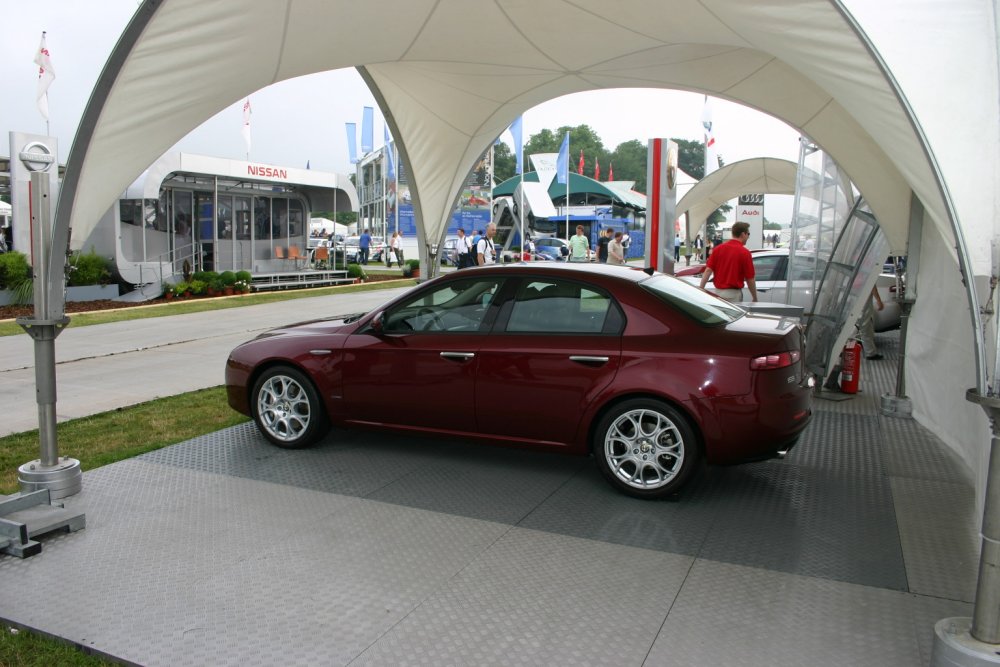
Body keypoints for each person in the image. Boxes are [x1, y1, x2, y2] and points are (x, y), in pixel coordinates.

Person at [698, 221, 758, 302]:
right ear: (743, 234)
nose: (748, 237)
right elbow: (750, 278)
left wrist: (701, 288)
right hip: (733, 295)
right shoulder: (745, 252)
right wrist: (754, 297)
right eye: (748, 234)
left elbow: (708, 270)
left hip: (718, 294)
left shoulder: (717, 249)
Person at [856, 286, 885, 360]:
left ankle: (870, 352)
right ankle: (870, 352)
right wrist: (879, 301)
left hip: (857, 294)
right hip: (863, 295)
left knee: (866, 325)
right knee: (863, 324)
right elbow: (872, 285)